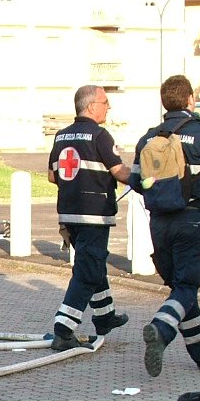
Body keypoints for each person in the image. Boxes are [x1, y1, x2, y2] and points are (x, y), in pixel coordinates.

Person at [126, 74, 200, 377]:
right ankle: (161, 330)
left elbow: (137, 181)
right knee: (187, 286)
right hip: (191, 219)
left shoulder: (149, 138)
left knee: (180, 288)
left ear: (165, 102)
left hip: (159, 223)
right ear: (190, 100)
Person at [46, 85, 131, 351]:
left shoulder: (60, 136)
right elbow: (119, 171)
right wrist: (144, 179)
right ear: (92, 106)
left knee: (92, 263)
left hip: (69, 215)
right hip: (94, 215)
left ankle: (105, 316)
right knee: (87, 271)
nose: (109, 107)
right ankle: (64, 328)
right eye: (105, 102)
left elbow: (52, 175)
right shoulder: (100, 135)